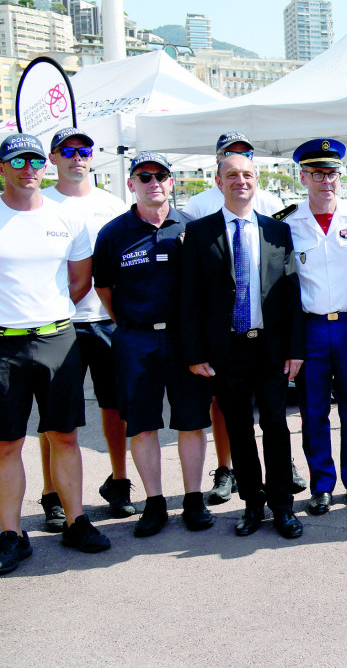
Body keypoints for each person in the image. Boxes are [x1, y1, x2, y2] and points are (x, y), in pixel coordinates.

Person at [179, 153, 305, 539]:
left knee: (276, 427)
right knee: (238, 430)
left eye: (248, 175)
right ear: (218, 182)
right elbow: (189, 299)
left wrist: (295, 348)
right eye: (231, 175)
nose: (240, 181)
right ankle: (252, 504)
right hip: (225, 351)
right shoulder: (200, 233)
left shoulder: (276, 232)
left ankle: (283, 505)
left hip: (269, 348)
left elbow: (290, 294)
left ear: (257, 181)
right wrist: (195, 353)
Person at [0, 134, 110, 576]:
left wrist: (49, 312)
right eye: (17, 160)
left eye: (34, 160)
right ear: (4, 168)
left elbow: (79, 280)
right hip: (4, 343)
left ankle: (76, 520)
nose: (28, 168)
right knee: (7, 443)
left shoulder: (66, 218)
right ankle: (11, 533)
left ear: (44, 166)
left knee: (63, 435)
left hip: (56, 338)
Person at [93, 153, 213, 535]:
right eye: (144, 177)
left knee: (192, 422)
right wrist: (132, 325)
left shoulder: (192, 228)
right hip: (136, 339)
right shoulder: (113, 233)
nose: (153, 182)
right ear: (131, 184)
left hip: (184, 339)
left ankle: (193, 500)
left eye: (161, 176)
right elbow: (104, 289)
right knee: (142, 425)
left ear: (172, 182)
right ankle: (155, 503)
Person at [277, 139, 347, 516]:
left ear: (340, 176)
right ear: (303, 177)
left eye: (331, 172)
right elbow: (283, 287)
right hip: (311, 328)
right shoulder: (288, 224)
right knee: (313, 411)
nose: (326, 180)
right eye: (317, 173)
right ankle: (321, 485)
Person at [40, 126, 130, 528]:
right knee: (56, 417)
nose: (77, 157)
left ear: (93, 157)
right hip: (59, 325)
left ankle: (119, 481)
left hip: (108, 322)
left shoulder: (112, 204)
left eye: (84, 150)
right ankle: (52, 493)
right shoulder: (39, 203)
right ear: (54, 158)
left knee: (116, 408)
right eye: (68, 150)